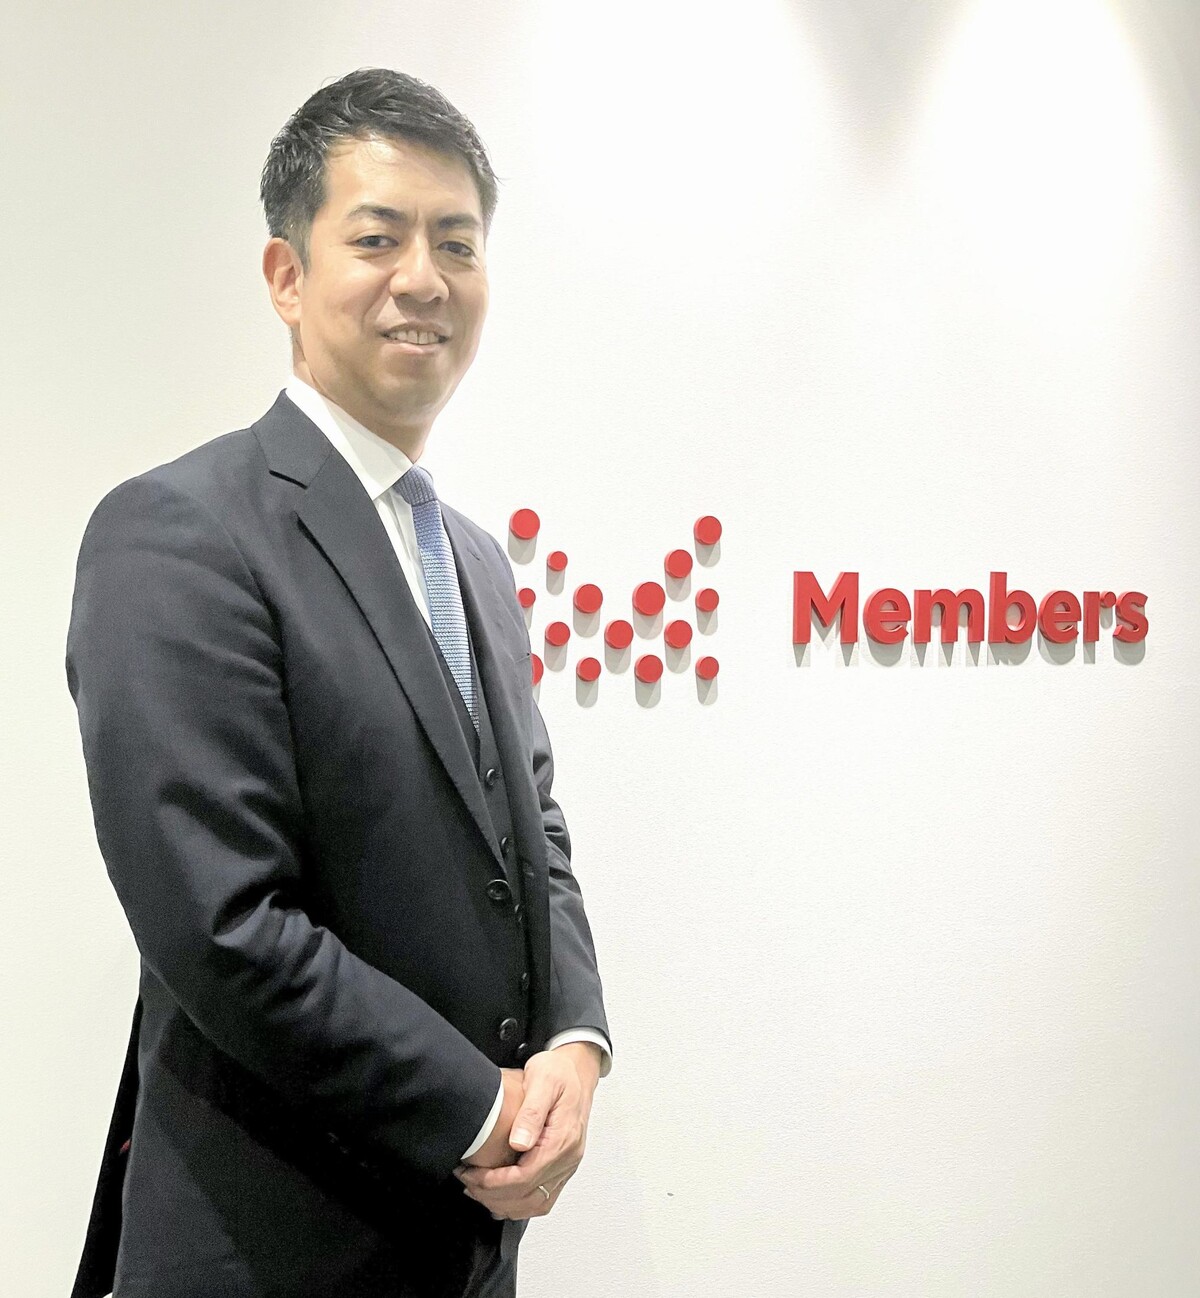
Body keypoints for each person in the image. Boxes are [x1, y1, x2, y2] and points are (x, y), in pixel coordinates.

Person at [65, 68, 610, 1298]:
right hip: (275, 1242)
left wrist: (576, 1039)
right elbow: (223, 921)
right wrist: (482, 1108)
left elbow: (534, 834)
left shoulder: (474, 559)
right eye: (378, 238)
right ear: (286, 276)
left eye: (457, 243)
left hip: (463, 1248)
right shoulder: (178, 532)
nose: (425, 277)